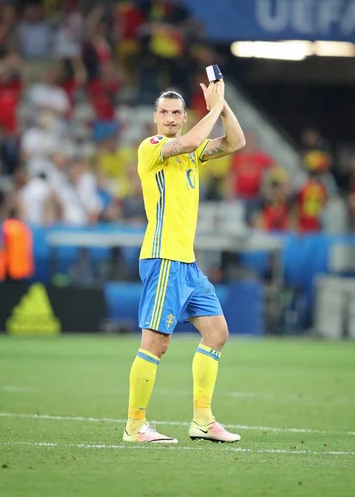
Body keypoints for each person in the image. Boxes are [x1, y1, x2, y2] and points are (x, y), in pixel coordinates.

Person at [123, 77, 246, 445]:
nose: (172, 117)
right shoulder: (152, 147)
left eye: (177, 112)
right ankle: (134, 426)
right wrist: (211, 110)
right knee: (156, 343)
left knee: (217, 333)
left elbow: (236, 142)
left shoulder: (192, 153)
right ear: (156, 116)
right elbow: (191, 140)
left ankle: (203, 421)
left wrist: (222, 105)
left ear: (183, 115)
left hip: (187, 263)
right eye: (165, 112)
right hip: (162, 258)